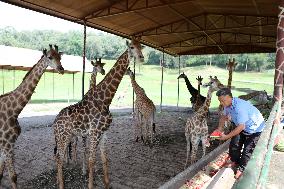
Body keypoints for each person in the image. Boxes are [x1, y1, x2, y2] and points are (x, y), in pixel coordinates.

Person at [213, 88, 265, 179]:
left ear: (230, 97)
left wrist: (226, 136)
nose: (221, 103)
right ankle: (234, 161)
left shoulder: (239, 107)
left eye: (223, 101)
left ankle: (241, 169)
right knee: (234, 144)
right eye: (220, 101)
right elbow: (224, 116)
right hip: (241, 126)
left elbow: (241, 127)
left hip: (255, 129)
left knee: (247, 150)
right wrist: (219, 129)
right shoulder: (227, 104)